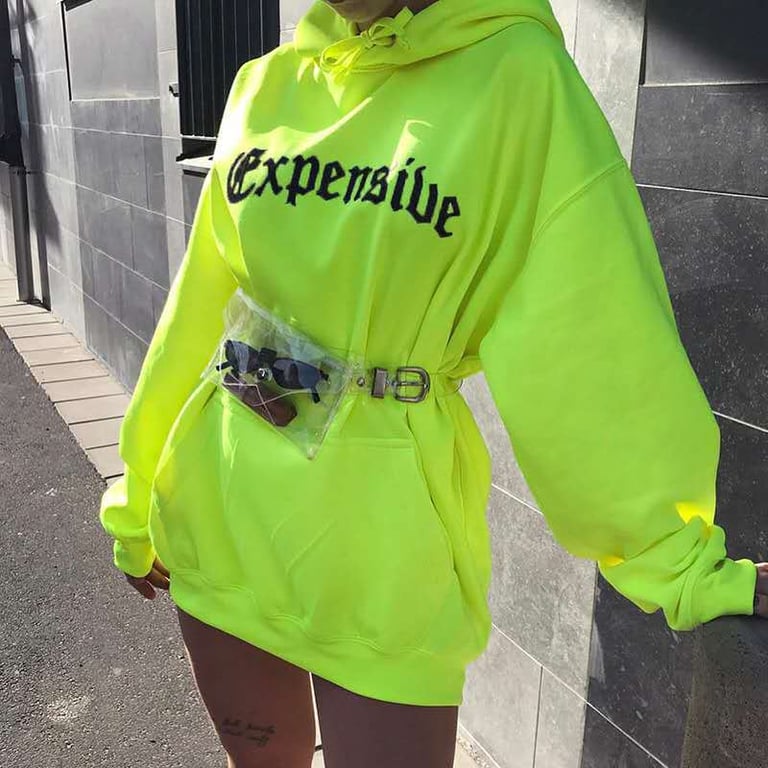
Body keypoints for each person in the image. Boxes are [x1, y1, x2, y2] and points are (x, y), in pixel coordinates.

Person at [99, 0, 768, 766]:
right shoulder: (265, 84)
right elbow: (198, 309)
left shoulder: (519, 81)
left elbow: (592, 335)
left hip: (383, 547)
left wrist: (677, 561)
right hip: (222, 509)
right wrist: (138, 492)